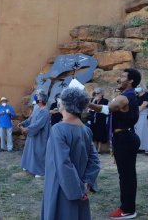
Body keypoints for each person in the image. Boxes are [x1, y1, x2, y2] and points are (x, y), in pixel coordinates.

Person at [88, 68, 141, 219]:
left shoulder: (124, 98)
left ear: (131, 81)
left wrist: (87, 103)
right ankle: (128, 206)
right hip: (126, 137)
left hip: (124, 139)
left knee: (126, 176)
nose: (119, 79)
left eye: (122, 77)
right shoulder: (127, 96)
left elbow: (106, 109)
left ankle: (128, 210)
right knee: (127, 175)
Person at [41, 87, 101, 220]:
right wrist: (87, 182)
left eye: (60, 100)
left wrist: (77, 191)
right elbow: (95, 160)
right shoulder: (86, 130)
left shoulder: (58, 129)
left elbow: (64, 164)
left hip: (62, 187)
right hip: (80, 186)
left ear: (65, 104)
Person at [18, 93, 50, 178]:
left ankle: (40, 171)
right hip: (32, 134)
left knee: (38, 152)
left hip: (40, 136)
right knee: (29, 150)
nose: (36, 99)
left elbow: (38, 124)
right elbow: (30, 119)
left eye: (38, 98)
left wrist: (27, 129)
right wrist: (23, 123)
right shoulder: (37, 110)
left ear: (41, 100)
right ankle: (27, 166)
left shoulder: (45, 112)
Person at [88, 88, 109, 154]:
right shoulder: (92, 100)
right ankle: (94, 149)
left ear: (101, 94)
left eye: (98, 93)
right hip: (93, 119)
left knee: (100, 133)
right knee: (93, 133)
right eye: (95, 93)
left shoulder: (105, 101)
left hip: (101, 118)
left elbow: (105, 109)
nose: (97, 94)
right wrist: (94, 100)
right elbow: (89, 107)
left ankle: (99, 150)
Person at [134, 85, 148, 155]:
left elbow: (144, 104)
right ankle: (139, 147)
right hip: (137, 114)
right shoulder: (136, 95)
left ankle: (147, 148)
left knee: (144, 131)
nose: (137, 87)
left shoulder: (146, 94)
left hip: (143, 114)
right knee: (137, 131)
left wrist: (137, 111)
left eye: (138, 86)